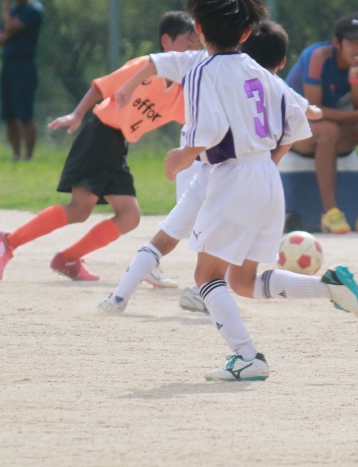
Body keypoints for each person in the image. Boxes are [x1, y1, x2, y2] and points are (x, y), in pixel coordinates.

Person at [161, 0, 358, 381]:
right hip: (265, 179)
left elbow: (209, 129)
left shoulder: (201, 71)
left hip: (233, 179)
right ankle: (329, 287)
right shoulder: (260, 71)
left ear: (198, 28)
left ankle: (247, 356)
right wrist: (264, 164)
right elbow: (297, 119)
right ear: (246, 33)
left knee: (206, 276)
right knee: (242, 282)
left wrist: (184, 153)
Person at [98, 20, 328, 317]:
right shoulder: (271, 83)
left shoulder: (202, 62)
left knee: (170, 235)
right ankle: (202, 293)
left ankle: (119, 297)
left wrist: (128, 88)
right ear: (281, 61)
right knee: (226, 245)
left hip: (201, 168)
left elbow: (156, 62)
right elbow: (306, 114)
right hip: (236, 175)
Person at [0, 11, 200, 284]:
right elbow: (102, 86)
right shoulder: (144, 67)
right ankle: (7, 242)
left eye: (197, 45)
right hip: (99, 134)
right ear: (166, 41)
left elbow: (197, 119)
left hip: (118, 144)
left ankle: (69, 258)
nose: (192, 50)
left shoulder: (182, 90)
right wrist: (77, 114)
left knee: (129, 215)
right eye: (187, 43)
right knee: (80, 208)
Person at [285, 13, 358, 234]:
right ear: (337, 43)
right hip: (291, 132)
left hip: (323, 130)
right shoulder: (317, 56)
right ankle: (331, 214)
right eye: (353, 42)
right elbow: (314, 110)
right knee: (329, 129)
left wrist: (355, 78)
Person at [0, 0, 44, 161]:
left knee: (25, 114)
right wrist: (8, 32)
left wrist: (5, 3)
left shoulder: (34, 10)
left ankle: (28, 157)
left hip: (25, 65)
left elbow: (7, 28)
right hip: (8, 64)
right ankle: (16, 155)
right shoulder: (14, 11)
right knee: (9, 115)